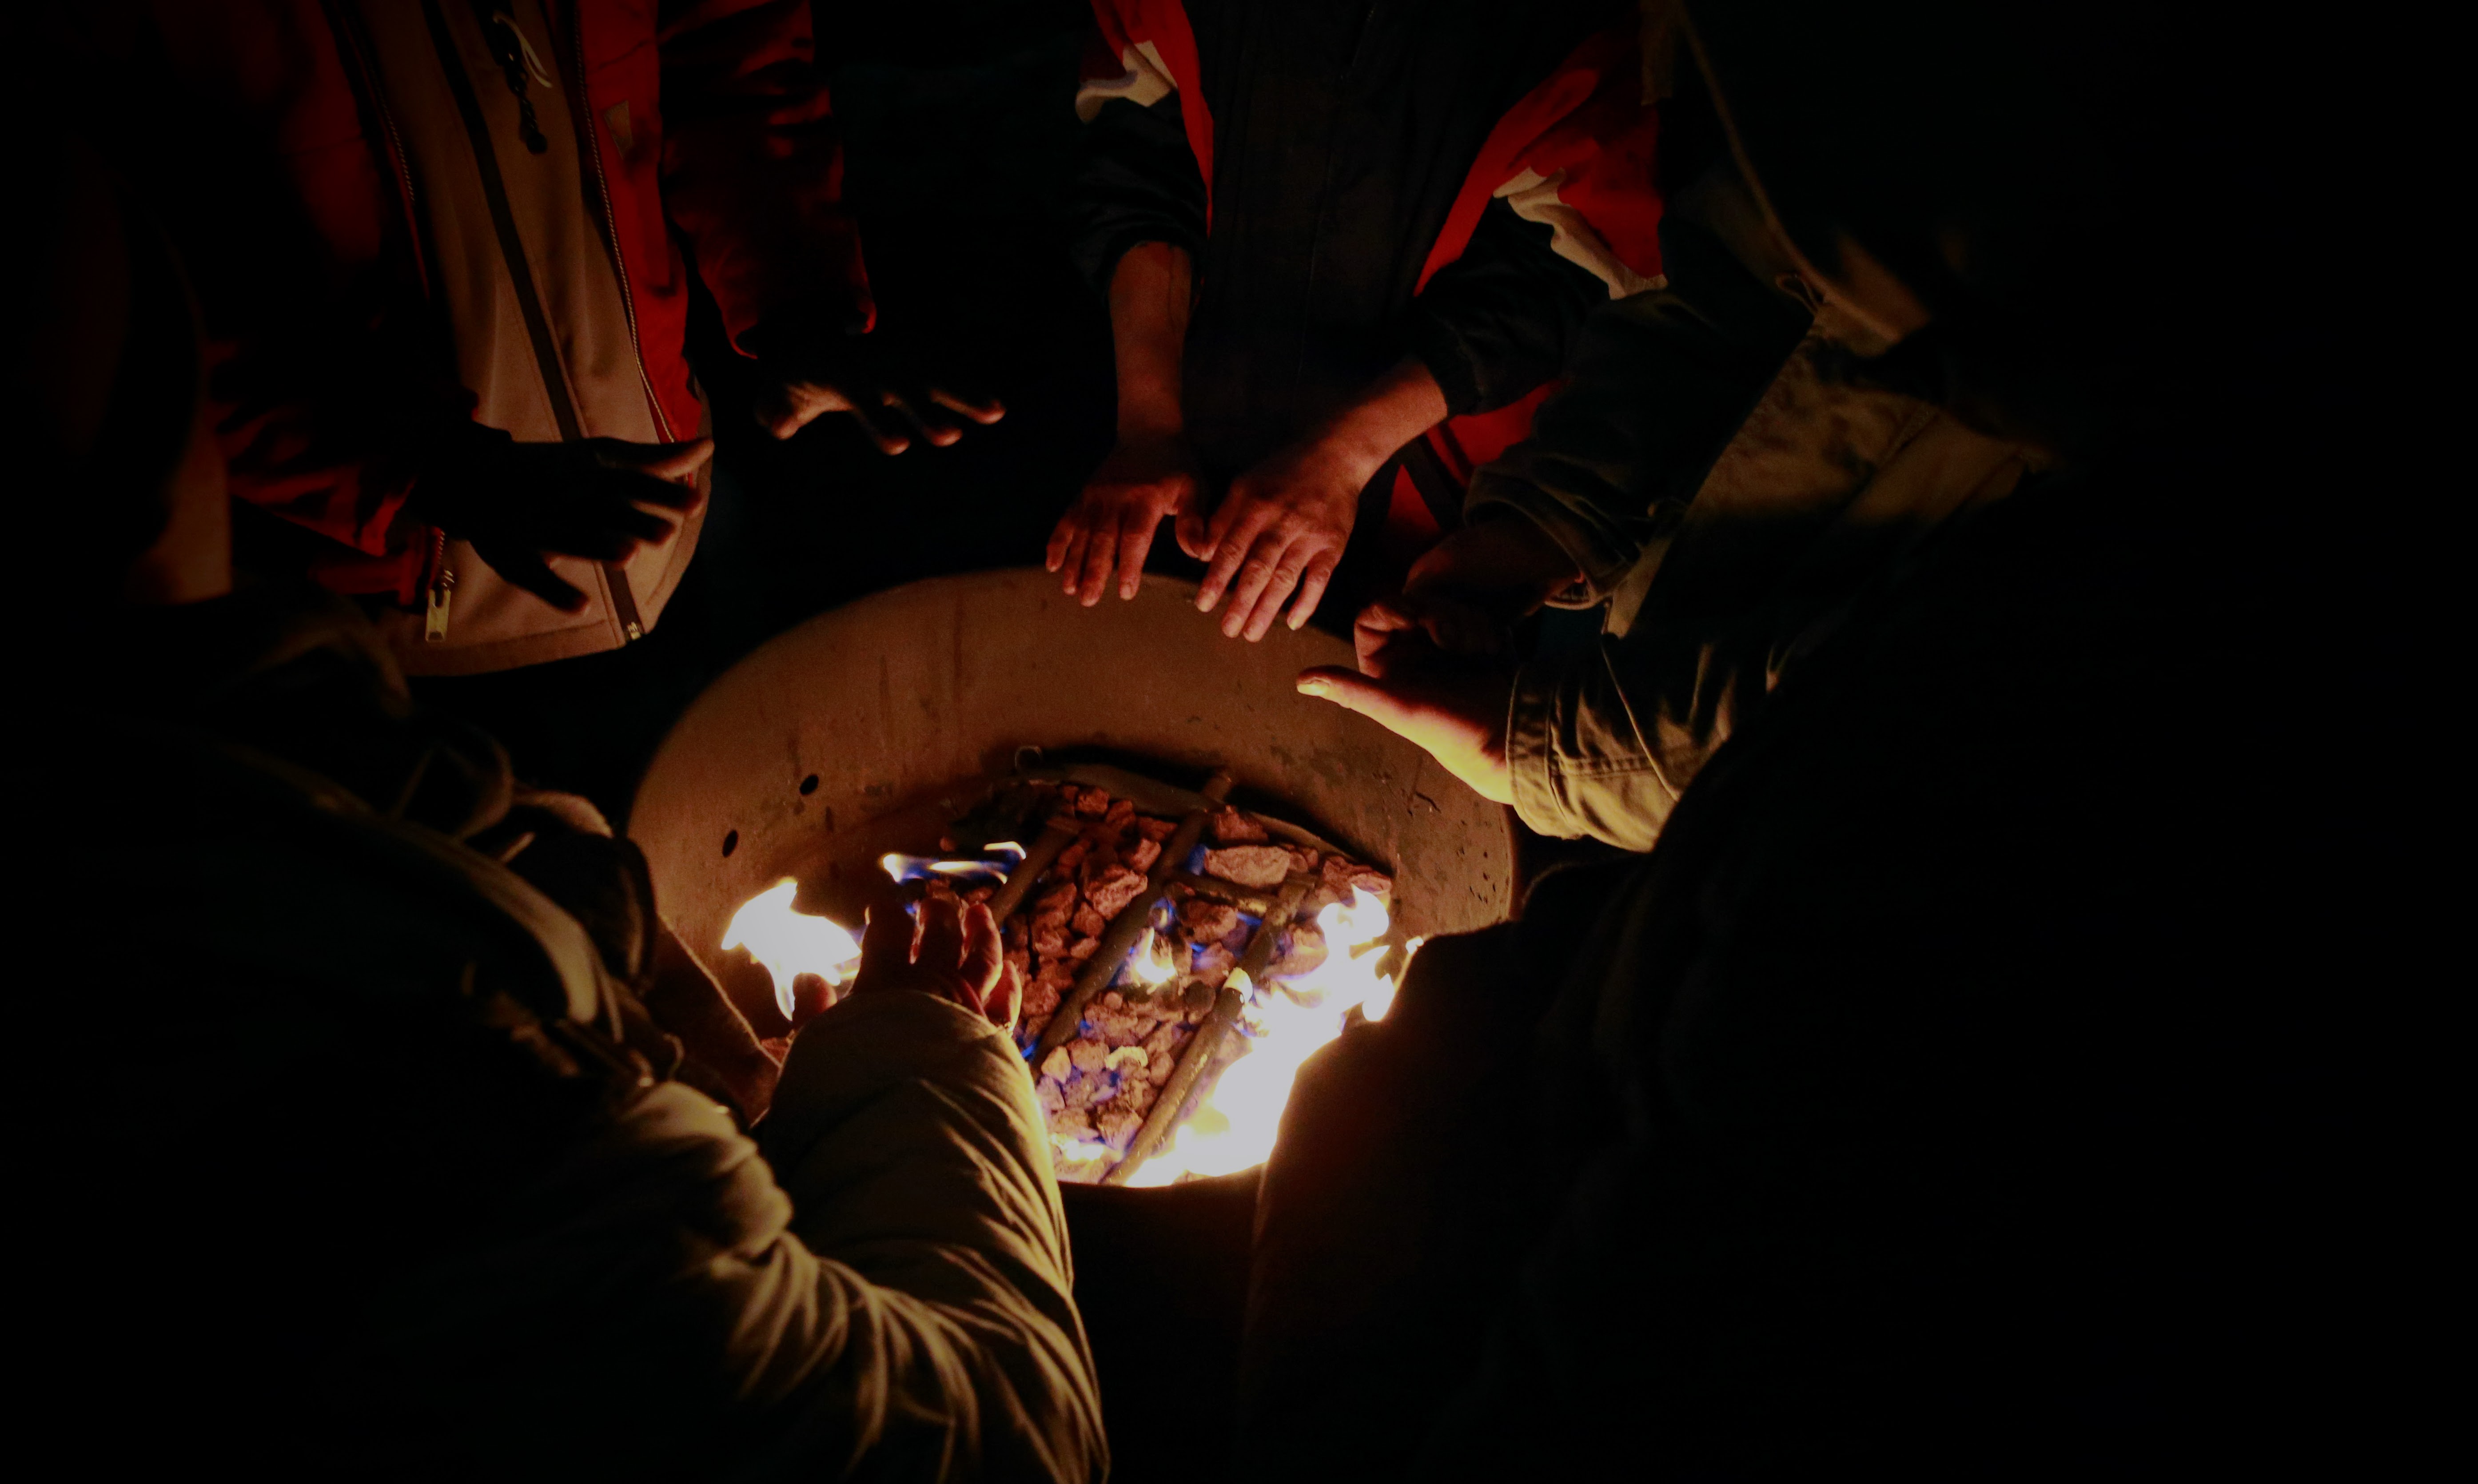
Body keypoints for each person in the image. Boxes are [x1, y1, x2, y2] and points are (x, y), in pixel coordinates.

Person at [1244, 0, 2395, 1474]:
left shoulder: (2149, 586)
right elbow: (1727, 281)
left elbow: (1881, 719)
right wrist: (1529, 530)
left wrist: (1547, 750)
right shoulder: (1861, 137)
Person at [23, 143, 1102, 1480]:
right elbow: (1001, 1443)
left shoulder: (253, 788)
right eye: (190, 362)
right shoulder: (404, 1080)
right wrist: (931, 1070)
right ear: (152, 445)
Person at [73, 0, 1000, 680]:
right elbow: (132, 268)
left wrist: (800, 307)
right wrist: (426, 467)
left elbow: (725, 53)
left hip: (675, 530)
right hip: (367, 627)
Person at [1044, 0, 1666, 642]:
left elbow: (1565, 272)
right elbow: (1137, 170)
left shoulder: (1561, 27)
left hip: (1440, 502)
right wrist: (1148, 423)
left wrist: (1343, 457)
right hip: (1191, 458)